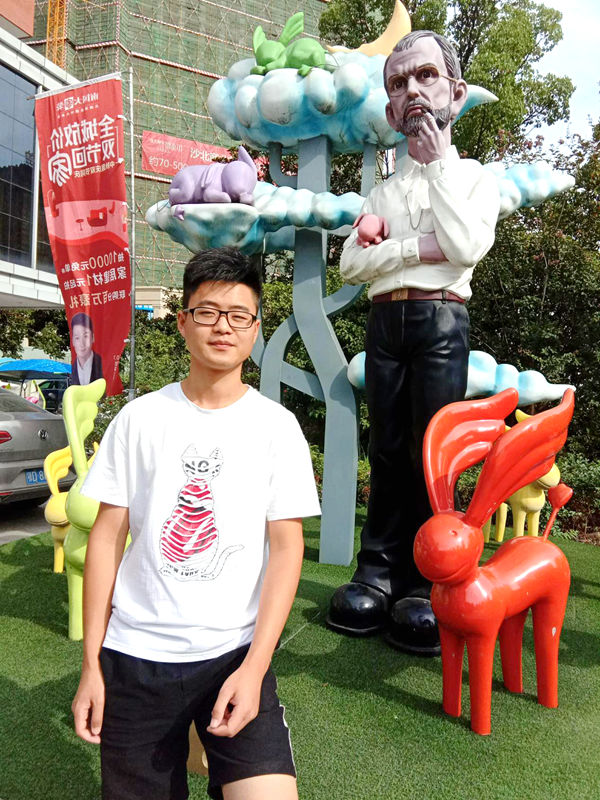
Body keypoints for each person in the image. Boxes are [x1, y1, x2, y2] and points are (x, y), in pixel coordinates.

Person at [72, 246, 321, 800]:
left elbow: (287, 549)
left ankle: (201, 741)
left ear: (255, 329)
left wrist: (255, 668)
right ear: (183, 322)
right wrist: (91, 665)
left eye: (238, 315)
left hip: (232, 656)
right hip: (136, 655)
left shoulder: (277, 428)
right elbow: (107, 540)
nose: (223, 326)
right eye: (207, 312)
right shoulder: (139, 419)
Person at [326, 31, 500, 655]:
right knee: (387, 445)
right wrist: (415, 248)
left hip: (440, 323)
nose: (412, 92)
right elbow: (350, 266)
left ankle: (430, 579)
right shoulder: (381, 192)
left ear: (455, 92)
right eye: (398, 84)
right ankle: (377, 570)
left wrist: (396, 246)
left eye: (425, 76)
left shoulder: (474, 178)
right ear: (390, 106)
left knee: (434, 453)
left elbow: (465, 247)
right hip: (385, 324)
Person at [70, 312, 103, 386]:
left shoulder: (102, 363)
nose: (82, 344)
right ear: (72, 341)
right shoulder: (72, 367)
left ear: (93, 337)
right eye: (77, 338)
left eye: (85, 336)